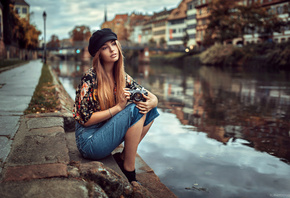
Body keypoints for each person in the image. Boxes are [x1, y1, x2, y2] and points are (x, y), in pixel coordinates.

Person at [73, 28, 159, 183]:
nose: (112, 49)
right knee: (135, 109)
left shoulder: (122, 77)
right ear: (99, 54)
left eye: (113, 43)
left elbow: (150, 96)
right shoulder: (90, 78)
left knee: (151, 109)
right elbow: (84, 120)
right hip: (89, 142)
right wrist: (118, 108)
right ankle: (129, 169)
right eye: (105, 47)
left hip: (103, 134)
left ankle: (124, 156)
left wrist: (154, 102)